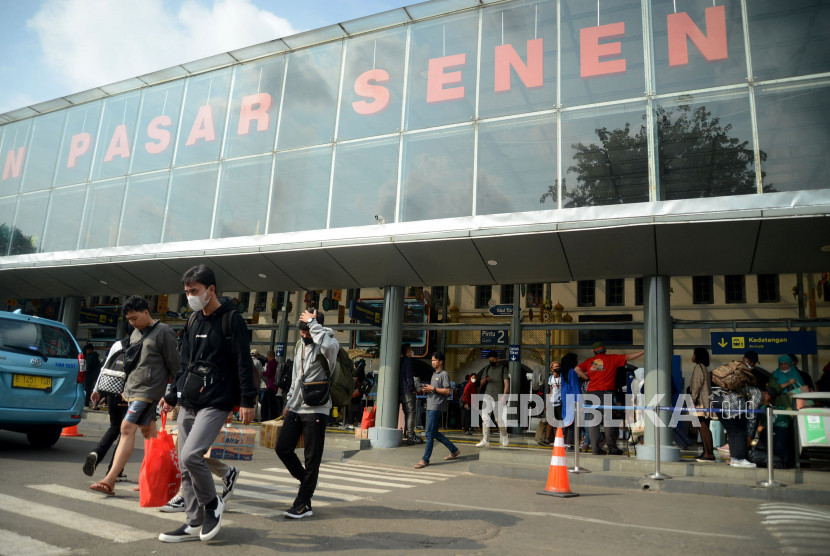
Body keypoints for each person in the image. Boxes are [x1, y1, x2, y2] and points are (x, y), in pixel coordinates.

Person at [159, 265, 256, 543]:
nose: (190, 296)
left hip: (217, 401)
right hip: (190, 399)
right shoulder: (192, 320)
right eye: (187, 292)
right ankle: (193, 522)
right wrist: (171, 394)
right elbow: (184, 363)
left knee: (192, 455)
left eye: (195, 291)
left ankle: (212, 504)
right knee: (185, 466)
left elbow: (243, 363)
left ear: (211, 290)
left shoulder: (232, 319)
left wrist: (248, 400)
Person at [88, 296, 179, 496]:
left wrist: (173, 395)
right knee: (149, 434)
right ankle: (153, 478)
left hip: (148, 392)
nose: (132, 322)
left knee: (126, 428)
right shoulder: (136, 333)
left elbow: (176, 366)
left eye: (135, 318)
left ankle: (110, 480)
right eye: (129, 319)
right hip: (131, 391)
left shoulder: (164, 332)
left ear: (147, 312)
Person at [275, 308, 339, 519]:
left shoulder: (329, 345)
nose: (304, 335)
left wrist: (313, 324)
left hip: (317, 408)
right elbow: (297, 376)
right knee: (283, 448)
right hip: (296, 407)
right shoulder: (300, 344)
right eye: (302, 331)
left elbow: (328, 344)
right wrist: (289, 402)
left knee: (312, 458)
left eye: (307, 331)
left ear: (315, 327)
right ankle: (307, 481)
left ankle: (303, 503)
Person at [576, 341, 643, 455]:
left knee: (593, 422)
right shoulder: (612, 358)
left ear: (594, 351)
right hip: (606, 393)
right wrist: (643, 351)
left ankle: (596, 449)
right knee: (608, 421)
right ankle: (612, 449)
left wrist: (587, 378)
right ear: (605, 350)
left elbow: (577, 369)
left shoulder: (589, 362)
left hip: (591, 393)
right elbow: (628, 356)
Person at [84, 336, 130, 479]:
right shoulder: (141, 345)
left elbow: (105, 367)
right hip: (127, 393)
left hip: (111, 389)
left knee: (114, 427)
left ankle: (96, 453)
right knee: (126, 434)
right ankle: (114, 470)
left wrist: (97, 389)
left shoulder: (118, 344)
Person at [414, 351, 460, 469]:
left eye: (435, 360)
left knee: (429, 433)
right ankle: (453, 450)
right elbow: (434, 389)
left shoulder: (444, 374)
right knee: (433, 432)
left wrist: (433, 388)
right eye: (432, 360)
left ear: (441, 361)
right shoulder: (434, 374)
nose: (433, 362)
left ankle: (425, 459)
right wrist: (428, 389)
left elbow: (447, 391)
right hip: (430, 404)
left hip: (436, 406)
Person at [475, 350, 510, 448]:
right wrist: (484, 379)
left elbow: (506, 383)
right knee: (485, 418)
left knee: (498, 419)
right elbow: (481, 384)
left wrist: (504, 395)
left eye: (493, 360)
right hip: (487, 396)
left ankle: (504, 436)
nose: (491, 362)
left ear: (497, 359)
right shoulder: (487, 368)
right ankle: (485, 439)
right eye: (490, 360)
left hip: (498, 397)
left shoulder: (503, 369)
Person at [689, 347, 715, 462]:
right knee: (704, 427)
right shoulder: (704, 368)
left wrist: (692, 400)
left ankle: (708, 453)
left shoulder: (698, 367)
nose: (692, 356)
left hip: (700, 403)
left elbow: (696, 386)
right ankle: (707, 452)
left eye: (693, 354)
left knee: (703, 427)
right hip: (706, 402)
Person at [399, 343, 419, 444]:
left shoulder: (401, 360)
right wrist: (413, 388)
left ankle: (408, 433)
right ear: (408, 351)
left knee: (407, 413)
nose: (412, 351)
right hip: (408, 391)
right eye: (411, 349)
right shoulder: (408, 361)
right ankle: (411, 435)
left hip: (401, 391)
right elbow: (409, 377)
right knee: (411, 412)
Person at [261, 350, 280, 421]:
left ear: (269, 356)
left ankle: (265, 418)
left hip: (270, 386)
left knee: (264, 403)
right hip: (275, 386)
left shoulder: (270, 363)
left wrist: (262, 373)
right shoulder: (277, 363)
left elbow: (268, 373)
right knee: (272, 404)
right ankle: (273, 417)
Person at [83, 343, 102, 408]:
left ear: (90, 349)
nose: (86, 351)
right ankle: (94, 404)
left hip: (89, 375)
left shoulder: (91, 356)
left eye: (87, 350)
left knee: (87, 389)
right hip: (94, 375)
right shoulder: (95, 356)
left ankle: (86, 403)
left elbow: (87, 365)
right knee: (92, 389)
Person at [251, 348, 264, 420]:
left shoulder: (247, 360)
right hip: (255, 384)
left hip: (247, 384)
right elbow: (261, 373)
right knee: (255, 401)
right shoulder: (258, 362)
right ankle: (254, 416)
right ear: (256, 355)